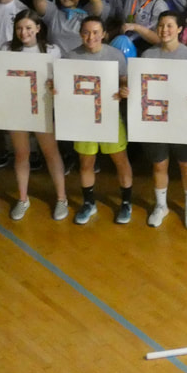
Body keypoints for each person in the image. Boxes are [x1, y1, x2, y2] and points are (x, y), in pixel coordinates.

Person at [0, 9, 69, 222]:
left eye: (28, 28)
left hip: (42, 107)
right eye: (19, 28)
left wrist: (55, 84)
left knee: (51, 152)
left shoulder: (51, 50)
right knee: (21, 153)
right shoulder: (6, 49)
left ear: (38, 28)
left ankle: (62, 198)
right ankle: (23, 198)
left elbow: (60, 79)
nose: (23, 32)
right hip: (16, 108)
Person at [61, 17, 134, 226]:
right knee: (86, 162)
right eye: (86, 32)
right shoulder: (70, 57)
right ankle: (89, 203)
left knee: (120, 159)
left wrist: (124, 91)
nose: (90, 37)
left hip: (109, 115)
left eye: (95, 32)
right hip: (84, 118)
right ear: (80, 34)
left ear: (103, 34)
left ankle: (126, 202)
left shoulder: (115, 55)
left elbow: (124, 81)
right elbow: (63, 85)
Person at [140, 11, 187, 229]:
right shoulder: (147, 56)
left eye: (169, 25)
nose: (164, 30)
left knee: (186, 164)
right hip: (156, 122)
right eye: (161, 25)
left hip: (182, 121)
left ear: (179, 29)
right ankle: (161, 205)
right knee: (159, 164)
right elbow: (140, 86)